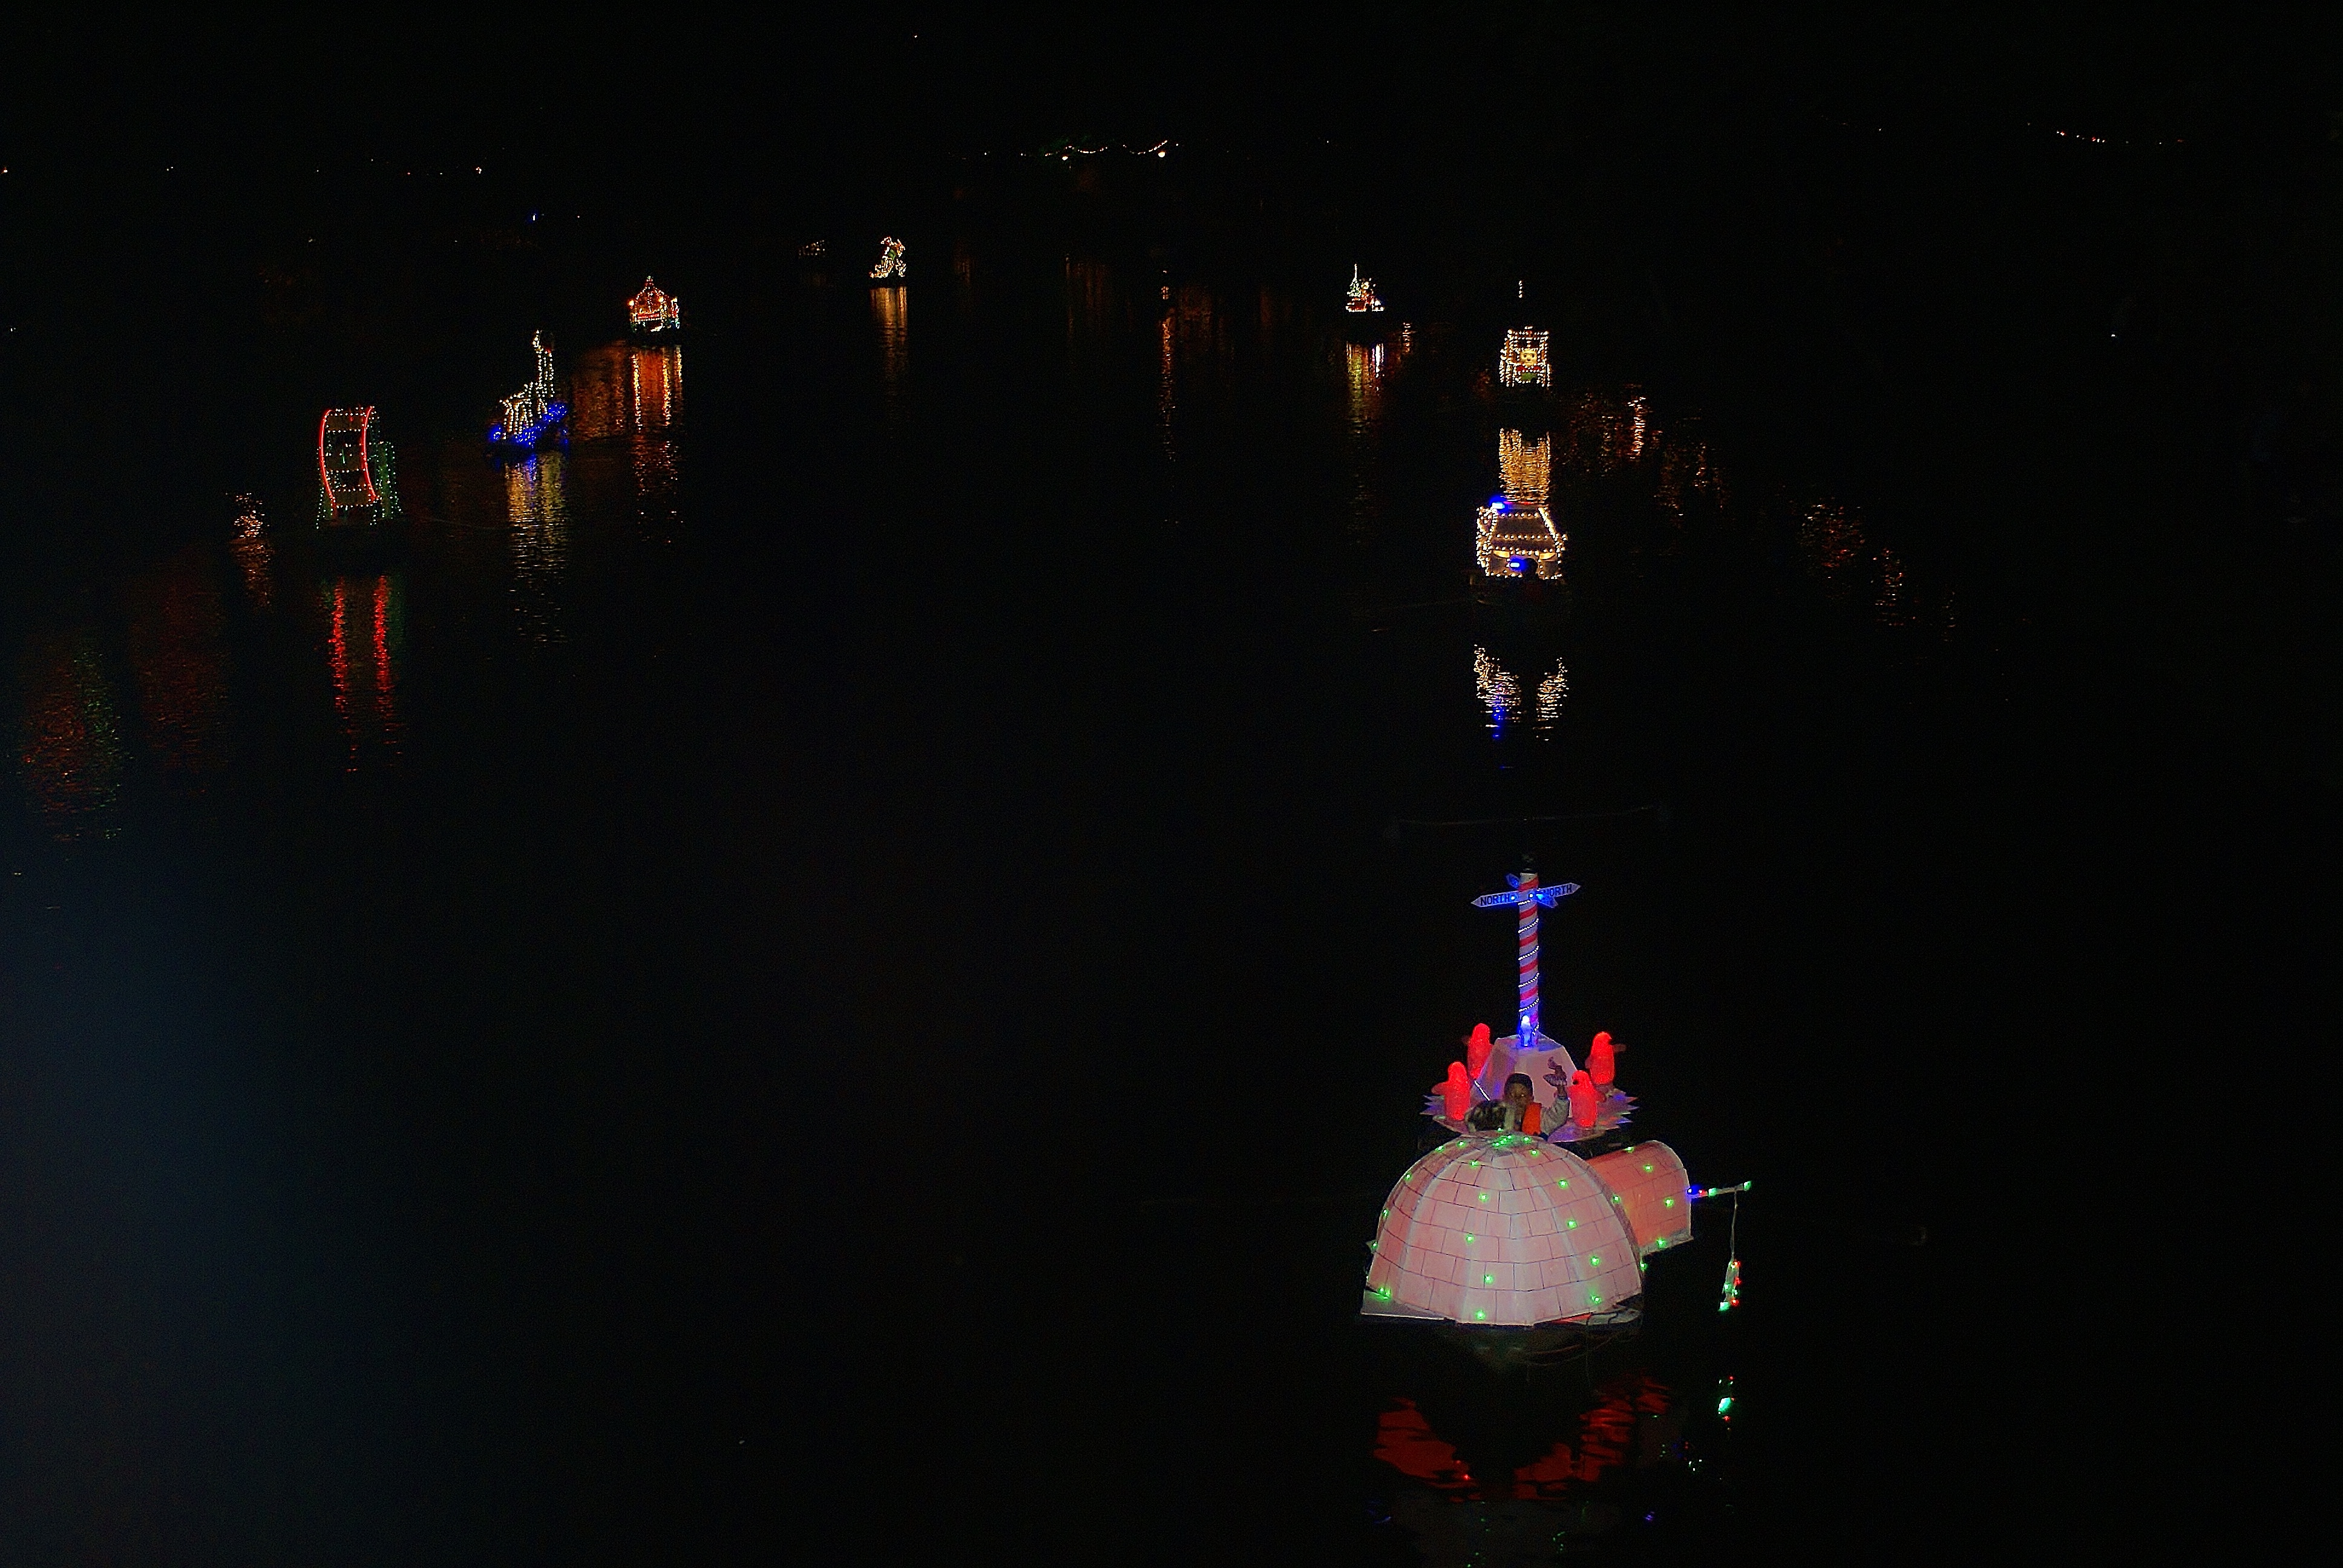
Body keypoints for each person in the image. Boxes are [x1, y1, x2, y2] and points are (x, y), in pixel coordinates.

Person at [1467, 1073, 1540, 1133]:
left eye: (1523, 1095)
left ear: (1531, 1099)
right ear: (1504, 1098)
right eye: (1512, 1095)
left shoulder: (1542, 1119)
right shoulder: (1493, 1116)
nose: (1517, 1099)